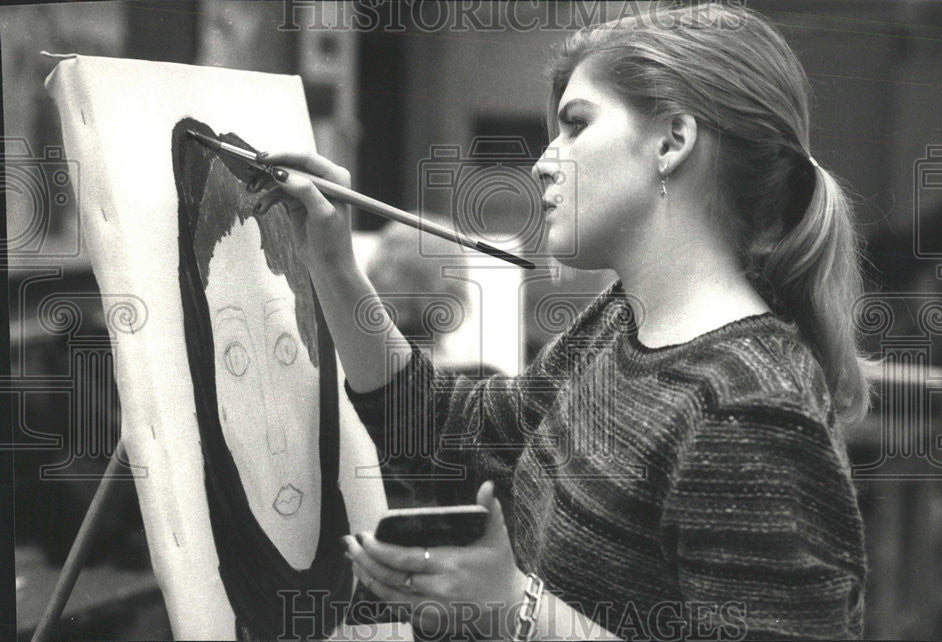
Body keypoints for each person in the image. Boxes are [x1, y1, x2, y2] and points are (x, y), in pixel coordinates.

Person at [247, 3, 872, 639]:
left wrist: (515, 609)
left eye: (576, 125)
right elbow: (453, 432)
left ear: (671, 141)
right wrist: (331, 263)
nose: (545, 161)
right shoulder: (621, 324)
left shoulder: (749, 407)